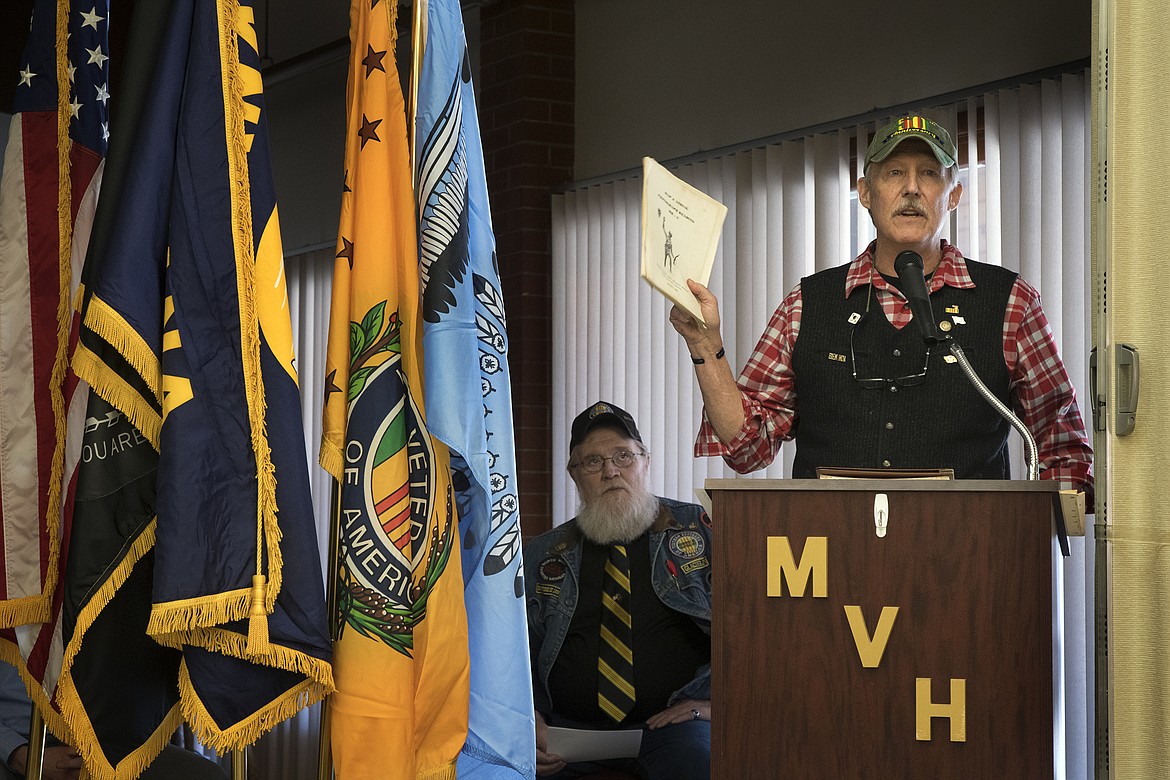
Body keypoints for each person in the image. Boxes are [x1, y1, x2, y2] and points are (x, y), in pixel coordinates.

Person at [669, 114, 1093, 496]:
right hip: (832, 557)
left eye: (929, 173)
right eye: (894, 173)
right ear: (866, 193)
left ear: (954, 195)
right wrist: (707, 346)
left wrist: (1035, 541)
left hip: (964, 561)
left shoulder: (1010, 302)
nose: (911, 188)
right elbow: (748, 449)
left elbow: (1062, 444)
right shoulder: (806, 305)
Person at [525, 402, 712, 779]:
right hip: (568, 733)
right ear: (575, 475)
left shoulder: (703, 533)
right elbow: (509, 653)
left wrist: (711, 705)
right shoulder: (542, 554)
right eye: (593, 462)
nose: (611, 471)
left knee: (695, 759)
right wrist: (527, 721)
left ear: (645, 462)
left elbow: (755, 631)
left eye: (623, 456)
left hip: (675, 729)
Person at [0, 660, 227, 780]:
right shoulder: (9, 580)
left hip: (108, 742)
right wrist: (19, 754)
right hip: (16, 741)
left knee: (203, 775)